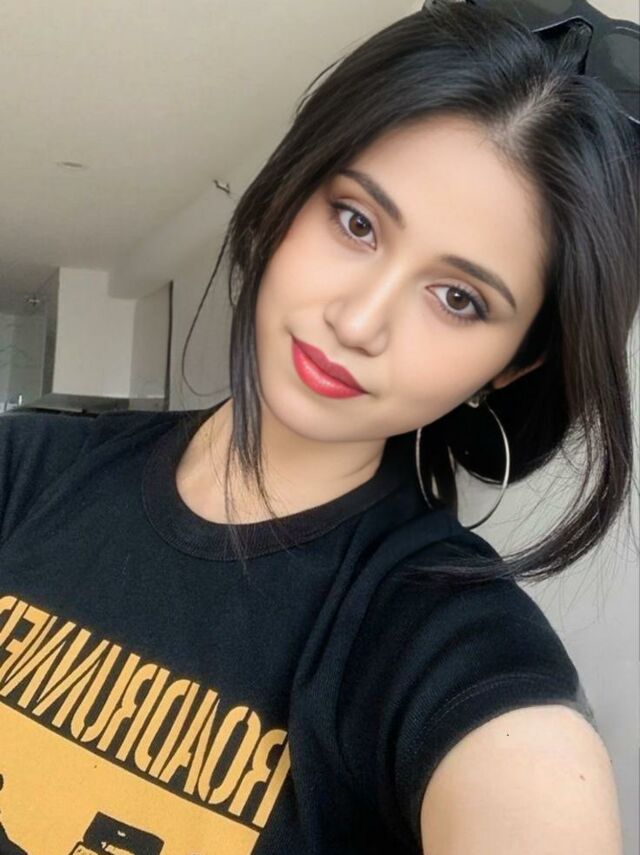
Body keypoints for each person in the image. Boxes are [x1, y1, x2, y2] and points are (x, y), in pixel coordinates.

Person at [0, 2, 637, 852]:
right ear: (291, 192)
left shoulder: (450, 645)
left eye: (458, 298)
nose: (359, 320)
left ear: (514, 364)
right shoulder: (25, 469)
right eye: (356, 222)